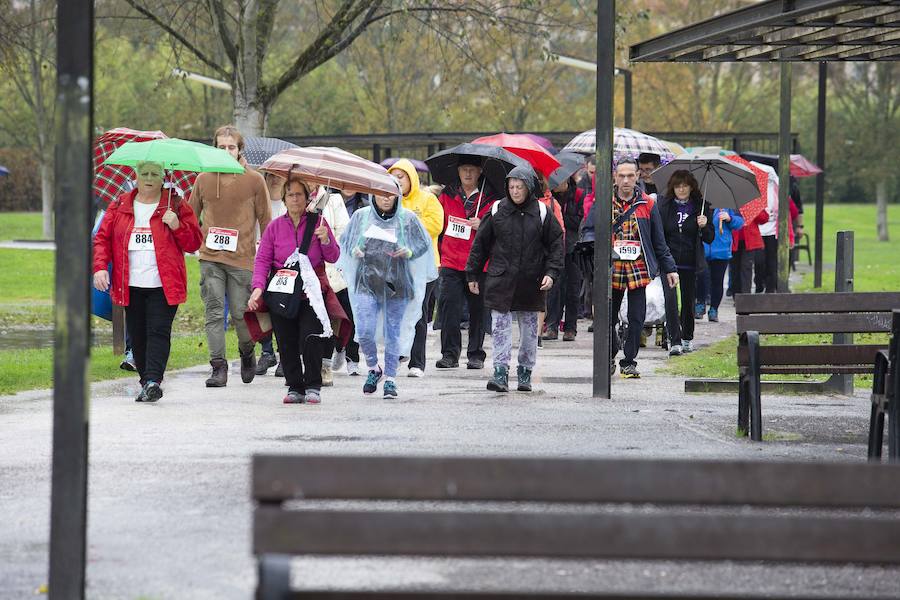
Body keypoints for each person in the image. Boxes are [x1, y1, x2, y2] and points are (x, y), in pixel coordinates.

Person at [93, 161, 203, 402]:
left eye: (155, 173)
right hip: (130, 283)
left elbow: (194, 242)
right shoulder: (120, 204)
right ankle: (146, 382)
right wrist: (100, 267)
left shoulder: (175, 204)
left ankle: (154, 380)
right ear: (136, 176)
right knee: (138, 335)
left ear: (163, 176)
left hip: (164, 283)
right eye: (145, 173)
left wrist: (177, 225)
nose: (150, 178)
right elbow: (102, 239)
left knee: (158, 332)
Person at [466, 166, 564, 392]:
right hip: (501, 279)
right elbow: (481, 243)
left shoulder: (542, 211)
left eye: (520, 187)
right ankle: (500, 372)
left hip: (532, 280)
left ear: (529, 187)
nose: (515, 191)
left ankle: (525, 372)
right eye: (511, 187)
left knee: (530, 331)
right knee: (500, 328)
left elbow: (556, 244)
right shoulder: (497, 209)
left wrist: (551, 273)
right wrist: (472, 273)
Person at [190, 124, 271, 387]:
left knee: (240, 313)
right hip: (210, 257)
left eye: (231, 147)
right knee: (214, 312)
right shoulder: (203, 179)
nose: (226, 151)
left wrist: (268, 256)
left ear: (239, 150)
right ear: (214, 148)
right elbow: (191, 216)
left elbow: (267, 221)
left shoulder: (254, 180)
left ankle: (247, 353)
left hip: (243, 259)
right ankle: (218, 367)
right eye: (221, 147)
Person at [248, 178, 339, 404]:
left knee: (310, 338)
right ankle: (294, 386)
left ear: (308, 197)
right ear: (284, 199)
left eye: (299, 194)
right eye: (290, 195)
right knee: (286, 341)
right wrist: (258, 288)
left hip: (310, 293)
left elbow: (334, 256)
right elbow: (262, 260)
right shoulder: (275, 227)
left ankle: (313, 385)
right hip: (282, 291)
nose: (295, 199)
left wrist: (326, 239)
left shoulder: (319, 223)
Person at [338, 191, 436, 398]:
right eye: (380, 194)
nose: (385, 198)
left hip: (397, 284)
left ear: (397, 197)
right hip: (366, 281)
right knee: (364, 330)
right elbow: (345, 240)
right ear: (373, 196)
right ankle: (374, 368)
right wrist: (355, 249)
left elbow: (423, 243)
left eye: (390, 195)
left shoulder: (407, 218)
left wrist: (408, 252)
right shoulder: (361, 216)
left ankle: (390, 378)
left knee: (393, 332)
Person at [609, 158, 678, 379]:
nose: (626, 180)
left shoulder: (648, 203)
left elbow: (659, 240)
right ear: (615, 177)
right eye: (622, 176)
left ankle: (628, 361)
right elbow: (590, 232)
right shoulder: (605, 202)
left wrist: (670, 269)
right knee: (608, 318)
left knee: (637, 318)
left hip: (638, 267)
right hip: (612, 268)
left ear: (638, 176)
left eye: (630, 175)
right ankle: (609, 353)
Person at [435, 156, 497, 370]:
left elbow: (500, 228)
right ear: (458, 171)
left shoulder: (491, 198)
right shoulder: (447, 194)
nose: (468, 174)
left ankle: (476, 354)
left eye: (472, 169)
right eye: (464, 169)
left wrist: (484, 225)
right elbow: (438, 225)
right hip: (451, 260)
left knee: (478, 311)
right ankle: (449, 354)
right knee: (449, 309)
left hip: (479, 263)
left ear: (480, 172)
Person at [388, 159, 444, 378]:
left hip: (424, 267)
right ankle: (398, 354)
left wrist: (407, 227)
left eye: (401, 176)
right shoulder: (390, 201)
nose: (397, 181)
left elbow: (436, 225)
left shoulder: (428, 199)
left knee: (418, 314)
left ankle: (417, 362)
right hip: (396, 266)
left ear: (411, 178)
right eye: (394, 177)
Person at [658, 170, 714, 356]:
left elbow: (710, 238)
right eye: (677, 186)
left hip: (691, 262)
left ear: (691, 187)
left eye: (685, 186)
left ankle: (687, 337)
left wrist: (704, 225)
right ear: (672, 188)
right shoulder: (664, 206)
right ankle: (674, 340)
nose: (681, 189)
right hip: (670, 263)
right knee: (671, 301)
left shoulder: (702, 207)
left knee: (688, 302)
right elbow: (660, 235)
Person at [543, 174, 583, 341]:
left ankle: (570, 328)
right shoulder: (549, 198)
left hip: (574, 248)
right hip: (556, 249)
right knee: (554, 289)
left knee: (573, 289)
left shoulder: (579, 195)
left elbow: (580, 220)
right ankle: (552, 326)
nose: (555, 184)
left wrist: (560, 217)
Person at [256, 171, 288, 377]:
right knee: (260, 307)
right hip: (259, 260)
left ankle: (285, 354)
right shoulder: (259, 202)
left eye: (279, 175)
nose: (274, 179)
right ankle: (266, 351)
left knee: (282, 310)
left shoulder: (289, 204)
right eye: (270, 175)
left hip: (284, 267)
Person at [318, 188, 351, 386]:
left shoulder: (334, 200)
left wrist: (326, 240)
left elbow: (343, 234)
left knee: (329, 320)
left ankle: (325, 365)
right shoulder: (295, 197)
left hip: (330, 269)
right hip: (303, 270)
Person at [696, 207, 744, 322]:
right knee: (702, 277)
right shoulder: (701, 205)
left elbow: (739, 223)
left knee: (717, 281)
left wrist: (729, 218)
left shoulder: (728, 206)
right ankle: (700, 304)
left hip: (721, 250)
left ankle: (714, 309)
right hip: (703, 249)